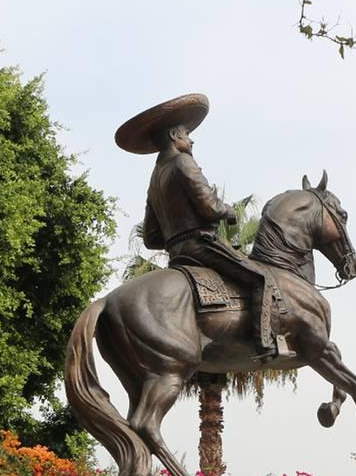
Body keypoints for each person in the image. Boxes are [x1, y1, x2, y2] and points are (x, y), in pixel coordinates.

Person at [116, 93, 290, 360]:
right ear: (175, 135)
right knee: (260, 279)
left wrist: (175, 238)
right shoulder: (183, 162)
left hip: (177, 255)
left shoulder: (154, 178)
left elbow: (151, 238)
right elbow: (209, 205)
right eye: (186, 134)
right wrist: (229, 211)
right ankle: (265, 344)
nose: (191, 139)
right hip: (201, 245)